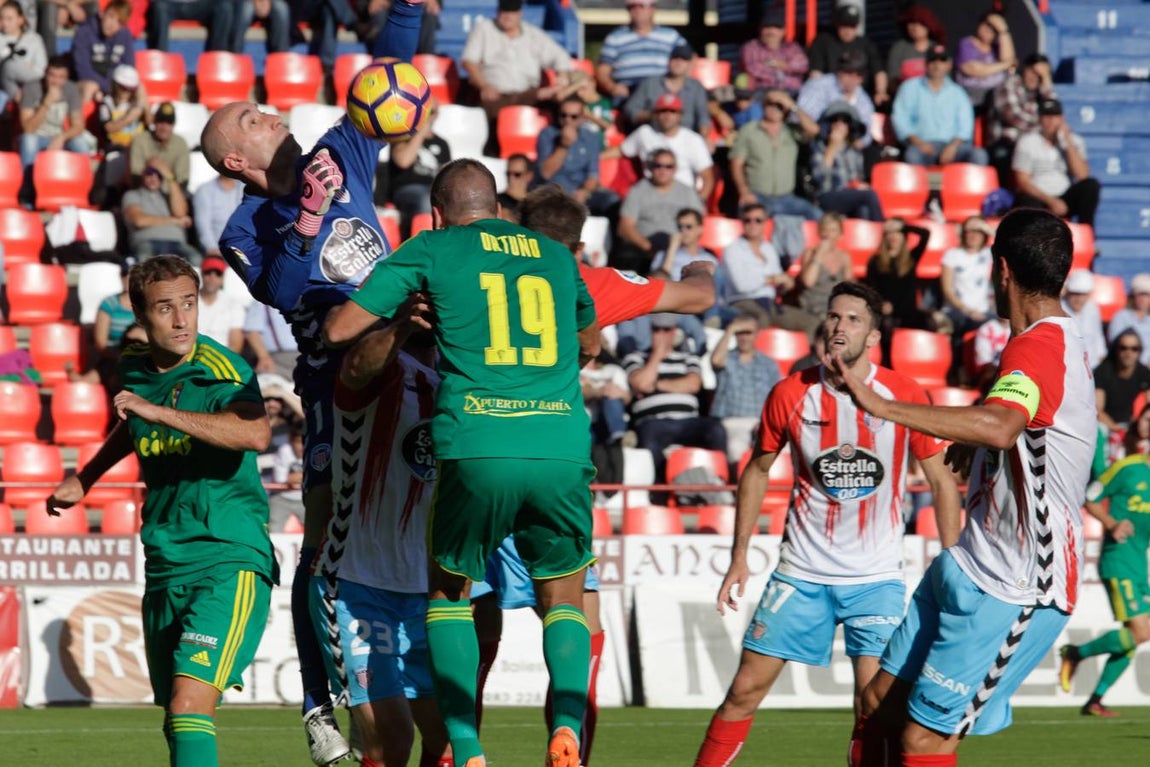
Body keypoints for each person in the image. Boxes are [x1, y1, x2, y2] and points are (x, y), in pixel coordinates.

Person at [199, 5, 425, 764]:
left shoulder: (341, 149)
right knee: (327, 541)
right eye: (254, 118)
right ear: (236, 160)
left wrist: (406, 11)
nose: (272, 113)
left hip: (415, 363)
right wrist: (307, 216)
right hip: (337, 384)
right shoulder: (244, 228)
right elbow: (286, 289)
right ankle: (320, 701)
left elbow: (387, 77)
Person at [323, 158, 601, 767]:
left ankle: (469, 748)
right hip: (558, 443)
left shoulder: (434, 247)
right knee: (565, 600)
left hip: (476, 442)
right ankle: (568, 729)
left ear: (437, 213)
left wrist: (413, 310)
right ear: (499, 206)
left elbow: (340, 328)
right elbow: (591, 341)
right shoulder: (554, 255)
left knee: (449, 596)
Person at [839, 208, 1095, 767]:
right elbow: (1016, 426)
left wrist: (881, 404)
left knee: (925, 740)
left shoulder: (1039, 348)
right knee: (878, 703)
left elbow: (1002, 426)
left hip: (1019, 585)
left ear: (999, 270)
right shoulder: (1044, 342)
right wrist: (976, 441)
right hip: (972, 559)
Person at [693, 281, 959, 767]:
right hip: (801, 573)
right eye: (834, 316)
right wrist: (739, 557)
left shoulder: (902, 393)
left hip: (875, 579)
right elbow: (756, 470)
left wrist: (953, 563)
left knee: (874, 706)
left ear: (874, 337)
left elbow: (942, 482)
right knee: (743, 691)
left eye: (853, 319)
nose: (839, 326)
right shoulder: (792, 392)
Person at [45, 255, 277, 767]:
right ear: (139, 313)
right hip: (166, 559)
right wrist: (86, 477)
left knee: (190, 705)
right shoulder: (133, 367)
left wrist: (162, 412)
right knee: (175, 718)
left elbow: (255, 433)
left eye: (189, 305)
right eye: (165, 308)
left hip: (228, 556)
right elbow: (134, 425)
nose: (181, 320)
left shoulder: (223, 369)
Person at [308, 307, 451, 767]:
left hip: (426, 591)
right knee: (391, 738)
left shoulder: (460, 389)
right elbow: (355, 365)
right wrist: (406, 324)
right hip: (355, 581)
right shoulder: (377, 374)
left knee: (449, 736)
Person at [1059, 404, 1150, 718]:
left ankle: (1094, 700)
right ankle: (1076, 653)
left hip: (1139, 564)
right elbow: (1091, 495)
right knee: (1142, 630)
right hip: (1117, 558)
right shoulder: (1128, 468)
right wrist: (1111, 523)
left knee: (1133, 636)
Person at [623, 311, 727, 486]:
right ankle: (657, 489)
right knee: (649, 434)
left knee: (715, 428)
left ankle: (720, 483)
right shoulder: (635, 358)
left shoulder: (688, 358)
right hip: (654, 422)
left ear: (674, 331)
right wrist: (657, 356)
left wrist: (655, 385)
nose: (661, 334)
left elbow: (693, 384)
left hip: (689, 421)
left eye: (666, 330)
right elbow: (640, 384)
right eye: (657, 330)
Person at [460, 0, 571, 121]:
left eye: (512, 13)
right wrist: (484, 86)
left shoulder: (533, 34)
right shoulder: (484, 29)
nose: (508, 17)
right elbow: (469, 61)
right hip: (498, 95)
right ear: (497, 13)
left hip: (529, 93)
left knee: (563, 105)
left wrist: (562, 80)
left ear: (520, 14)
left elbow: (561, 57)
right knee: (491, 108)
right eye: (504, 13)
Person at [719, 202, 817, 335]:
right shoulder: (733, 250)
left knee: (813, 322)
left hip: (769, 303)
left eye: (758, 220)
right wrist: (772, 279)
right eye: (748, 220)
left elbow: (777, 282)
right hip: (742, 301)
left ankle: (813, 355)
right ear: (742, 222)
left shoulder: (768, 248)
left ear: (765, 222)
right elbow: (742, 286)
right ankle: (754, 355)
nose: (752, 224)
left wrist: (785, 284)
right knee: (761, 319)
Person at [892, 45, 988, 167]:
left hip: (953, 147)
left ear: (949, 65)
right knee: (912, 155)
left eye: (942, 61)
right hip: (920, 145)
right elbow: (901, 120)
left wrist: (952, 147)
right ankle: (921, 186)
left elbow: (965, 127)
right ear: (926, 64)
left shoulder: (958, 92)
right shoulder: (909, 88)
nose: (937, 65)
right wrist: (919, 143)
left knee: (979, 155)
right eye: (933, 60)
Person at [730, 87, 820, 220]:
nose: (774, 108)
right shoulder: (749, 130)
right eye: (770, 103)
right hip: (758, 196)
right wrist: (744, 192)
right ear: (763, 105)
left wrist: (792, 106)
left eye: (779, 105)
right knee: (753, 222)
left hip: (787, 198)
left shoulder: (792, 131)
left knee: (818, 217)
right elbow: (736, 164)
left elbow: (814, 129)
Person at [1012, 98, 1101, 227]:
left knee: (1091, 186)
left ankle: (1087, 234)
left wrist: (1068, 142)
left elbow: (1082, 174)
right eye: (1047, 117)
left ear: (1061, 119)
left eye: (1055, 117)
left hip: (1065, 195)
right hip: (1040, 197)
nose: (1051, 122)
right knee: (1026, 200)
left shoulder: (1075, 141)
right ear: (1040, 119)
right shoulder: (1028, 141)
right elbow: (1022, 181)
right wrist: (1050, 201)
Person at [614, 148, 704, 274]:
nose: (663, 170)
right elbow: (625, 227)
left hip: (679, 249)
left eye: (668, 166)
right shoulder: (638, 191)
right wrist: (649, 248)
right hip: (644, 252)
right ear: (650, 167)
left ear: (675, 169)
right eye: (658, 166)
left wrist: (678, 247)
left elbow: (697, 225)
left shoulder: (688, 192)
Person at [709, 311, 781, 466]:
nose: (743, 337)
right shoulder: (726, 358)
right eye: (739, 332)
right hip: (730, 422)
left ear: (756, 334)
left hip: (760, 423)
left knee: (784, 451)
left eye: (747, 332)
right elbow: (715, 361)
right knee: (736, 450)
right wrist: (730, 330)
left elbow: (777, 397)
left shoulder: (768, 364)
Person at [620, 92, 714, 203]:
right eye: (663, 111)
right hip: (650, 196)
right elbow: (621, 151)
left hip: (682, 198)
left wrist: (699, 203)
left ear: (680, 115)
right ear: (655, 114)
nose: (667, 115)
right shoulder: (644, 133)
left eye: (672, 111)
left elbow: (708, 176)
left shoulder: (693, 139)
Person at [536, 96, 618, 218]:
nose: (568, 120)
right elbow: (546, 173)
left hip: (580, 191)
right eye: (563, 115)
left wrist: (584, 192)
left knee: (612, 201)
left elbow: (593, 175)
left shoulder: (591, 137)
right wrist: (563, 146)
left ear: (582, 118)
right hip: (555, 192)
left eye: (573, 116)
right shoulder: (547, 135)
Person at [866, 218, 934, 363]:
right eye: (889, 233)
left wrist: (904, 226)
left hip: (908, 311)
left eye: (897, 233)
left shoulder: (911, 257)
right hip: (887, 311)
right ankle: (887, 364)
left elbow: (925, 234)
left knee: (930, 322)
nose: (893, 236)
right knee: (885, 325)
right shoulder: (875, 261)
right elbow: (872, 288)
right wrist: (881, 304)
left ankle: (923, 361)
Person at [596, 0, 686, 103]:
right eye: (632, 7)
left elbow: (690, 58)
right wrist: (613, 87)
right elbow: (602, 71)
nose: (637, 10)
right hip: (629, 93)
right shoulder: (615, 38)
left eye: (642, 6)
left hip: (663, 91)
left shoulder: (670, 36)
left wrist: (679, 83)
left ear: (653, 9)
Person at [988, 53, 1056, 187]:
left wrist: (1047, 85)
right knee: (1008, 156)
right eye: (1033, 71)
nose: (1035, 77)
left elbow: (1055, 116)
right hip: (1007, 143)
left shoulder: (1042, 92)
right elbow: (1015, 118)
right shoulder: (1009, 84)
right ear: (1025, 69)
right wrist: (1044, 124)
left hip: (1034, 145)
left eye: (1041, 75)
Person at [809, 100, 883, 221]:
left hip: (850, 194)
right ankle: (884, 230)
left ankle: (866, 238)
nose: (839, 124)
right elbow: (819, 178)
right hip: (828, 195)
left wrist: (861, 186)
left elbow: (858, 177)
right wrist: (832, 147)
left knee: (863, 209)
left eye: (844, 121)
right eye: (835, 120)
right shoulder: (819, 147)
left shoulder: (853, 151)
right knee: (869, 196)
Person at [387, 100, 450, 238]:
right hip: (408, 189)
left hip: (433, 189)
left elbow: (446, 175)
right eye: (426, 112)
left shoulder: (442, 143)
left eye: (432, 112)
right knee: (425, 199)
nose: (429, 116)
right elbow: (403, 161)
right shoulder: (403, 136)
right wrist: (420, 132)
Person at [806, 2, 887, 106]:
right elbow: (815, 74)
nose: (848, 30)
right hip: (828, 95)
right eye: (844, 26)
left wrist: (880, 92)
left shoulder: (866, 44)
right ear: (837, 24)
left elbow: (879, 71)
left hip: (859, 97)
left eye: (852, 26)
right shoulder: (824, 41)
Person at [622, 42, 710, 133]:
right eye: (675, 58)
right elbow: (630, 110)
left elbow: (703, 119)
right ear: (668, 60)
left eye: (684, 59)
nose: (678, 63)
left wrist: (704, 139)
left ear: (689, 64)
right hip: (654, 135)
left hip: (685, 138)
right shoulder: (650, 83)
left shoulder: (696, 87)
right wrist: (653, 115)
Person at [121, 162, 200, 263]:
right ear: (143, 175)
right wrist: (176, 221)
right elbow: (139, 221)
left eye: (158, 175)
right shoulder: (133, 195)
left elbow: (181, 214)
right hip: (147, 242)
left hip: (177, 243)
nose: (154, 178)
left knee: (196, 258)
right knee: (144, 258)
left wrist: (169, 176)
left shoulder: (170, 196)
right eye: (150, 173)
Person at [71, 0, 134, 103]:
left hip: (113, 85)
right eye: (111, 16)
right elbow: (83, 71)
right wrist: (107, 87)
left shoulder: (125, 35)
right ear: (102, 14)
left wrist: (113, 88)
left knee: (139, 89)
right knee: (91, 87)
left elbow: (129, 68)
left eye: (119, 22)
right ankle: (81, 118)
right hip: (84, 82)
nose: (112, 24)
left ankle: (142, 119)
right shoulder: (84, 32)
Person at [738, 7, 808, 95]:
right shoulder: (751, 47)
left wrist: (782, 65)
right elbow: (753, 69)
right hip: (762, 92)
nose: (771, 31)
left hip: (792, 92)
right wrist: (785, 69)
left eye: (776, 27)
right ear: (760, 29)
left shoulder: (792, 47)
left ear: (783, 31)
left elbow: (802, 65)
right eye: (767, 27)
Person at [1094, 330, 1150, 435]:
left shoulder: (1144, 373)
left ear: (1140, 351)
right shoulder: (1102, 372)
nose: (1128, 353)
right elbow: (1097, 410)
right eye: (1123, 348)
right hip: (1104, 426)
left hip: (1130, 426)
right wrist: (1116, 429)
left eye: (1134, 349)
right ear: (1116, 349)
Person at [884, 4, 945, 100]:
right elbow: (893, 80)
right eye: (911, 23)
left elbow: (945, 78)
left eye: (919, 23)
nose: (915, 27)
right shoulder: (899, 48)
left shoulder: (937, 49)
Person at [954, 11, 1015, 107]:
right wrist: (1004, 64)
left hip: (994, 103)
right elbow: (973, 69)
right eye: (986, 25)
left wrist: (1003, 31)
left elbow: (1010, 61)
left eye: (993, 29)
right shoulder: (966, 44)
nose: (988, 30)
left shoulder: (998, 48)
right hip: (970, 102)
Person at [129, 101, 191, 190]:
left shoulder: (181, 144)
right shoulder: (140, 140)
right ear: (154, 122)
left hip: (171, 194)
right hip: (143, 192)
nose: (164, 127)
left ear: (173, 125)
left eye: (169, 123)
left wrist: (165, 172)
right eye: (161, 122)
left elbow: (182, 181)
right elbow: (136, 177)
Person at [649, 208, 717, 281]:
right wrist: (671, 250)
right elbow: (658, 282)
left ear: (700, 229)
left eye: (688, 227)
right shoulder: (663, 255)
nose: (683, 231)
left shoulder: (710, 259)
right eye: (679, 227)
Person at [0, 0, 45, 108]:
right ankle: (18, 97)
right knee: (8, 67)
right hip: (3, 83)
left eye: (9, 19)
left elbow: (40, 69)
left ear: (20, 20)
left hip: (28, 81)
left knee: (11, 66)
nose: (4, 23)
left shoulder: (34, 39)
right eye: (2, 18)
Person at [146, 0, 236, 54]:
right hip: (168, 3)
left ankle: (216, 61)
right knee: (159, 8)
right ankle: (159, 61)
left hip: (201, 4)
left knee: (223, 7)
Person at [196, 256, 245, 351]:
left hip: (221, 359)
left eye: (218, 273)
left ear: (223, 277)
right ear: (201, 274)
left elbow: (236, 343)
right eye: (208, 272)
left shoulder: (234, 305)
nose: (212, 278)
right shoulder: (188, 302)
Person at [1061, 269, 1107, 370]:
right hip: (1068, 367)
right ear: (1068, 293)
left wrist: (1101, 356)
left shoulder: (1092, 308)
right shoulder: (1060, 309)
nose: (1079, 299)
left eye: (1083, 295)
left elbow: (1097, 335)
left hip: (1093, 366)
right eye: (1075, 294)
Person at [192, 174, 245, 258]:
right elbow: (203, 223)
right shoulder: (205, 190)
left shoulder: (246, 188)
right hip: (217, 252)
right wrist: (212, 248)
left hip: (245, 248)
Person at [1107, 273, 1150, 363]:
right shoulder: (1121, 317)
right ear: (1133, 297)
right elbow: (1117, 345)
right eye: (1139, 295)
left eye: (1146, 295)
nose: (1142, 299)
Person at [496, 152, 534, 221]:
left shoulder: (536, 203)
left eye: (517, 174)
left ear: (529, 176)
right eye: (508, 174)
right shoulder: (496, 201)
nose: (511, 178)